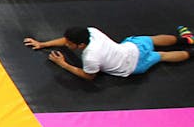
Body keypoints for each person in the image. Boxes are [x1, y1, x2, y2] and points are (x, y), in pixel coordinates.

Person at [23, 25, 192, 81]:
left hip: (134, 66)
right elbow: (65, 39)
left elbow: (89, 76)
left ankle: (190, 50)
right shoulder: (91, 31)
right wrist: (43, 44)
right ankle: (186, 40)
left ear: (81, 45)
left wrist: (63, 64)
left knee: (161, 56)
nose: (66, 44)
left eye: (69, 44)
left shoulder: (90, 57)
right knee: (151, 39)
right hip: (132, 49)